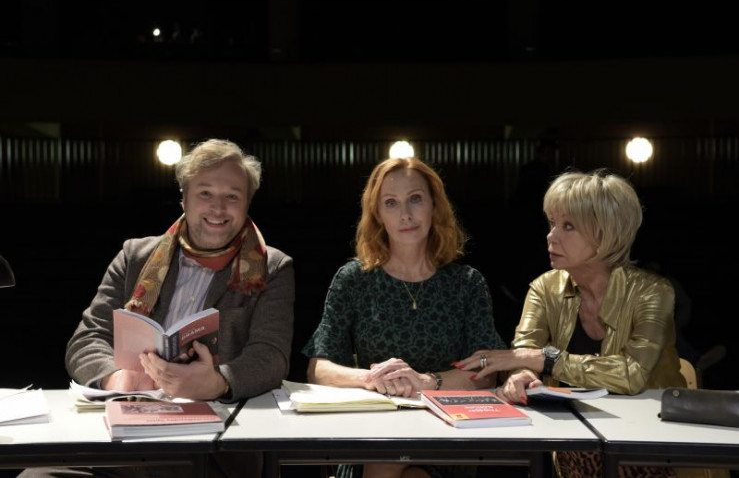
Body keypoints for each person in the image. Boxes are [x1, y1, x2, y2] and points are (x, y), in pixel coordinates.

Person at [21, 139, 295, 478]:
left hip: (209, 440)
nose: (218, 208)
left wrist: (217, 382)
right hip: (121, 428)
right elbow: (87, 339)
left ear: (248, 202)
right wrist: (116, 377)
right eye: (205, 193)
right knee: (36, 475)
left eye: (232, 196)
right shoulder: (134, 256)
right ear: (184, 197)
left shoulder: (273, 267)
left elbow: (271, 356)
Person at [457, 168, 685, 478]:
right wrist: (521, 376)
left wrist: (545, 359)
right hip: (576, 441)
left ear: (604, 235)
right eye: (552, 223)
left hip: (651, 444)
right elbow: (523, 352)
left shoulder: (653, 292)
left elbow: (632, 374)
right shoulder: (544, 287)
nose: (551, 236)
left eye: (568, 226)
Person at [302, 157, 506, 478]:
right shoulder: (353, 280)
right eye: (391, 203)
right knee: (390, 455)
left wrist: (425, 382)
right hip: (373, 429)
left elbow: (485, 373)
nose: (406, 214)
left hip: (446, 430)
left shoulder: (466, 283)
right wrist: (373, 379)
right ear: (378, 214)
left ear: (434, 205)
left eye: (415, 199)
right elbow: (319, 369)